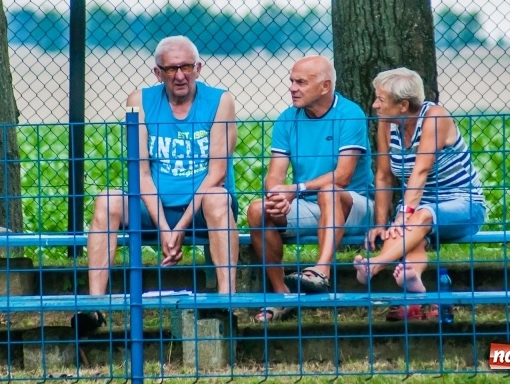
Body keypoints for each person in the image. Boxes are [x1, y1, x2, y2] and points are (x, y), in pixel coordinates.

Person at [73, 35, 239, 333]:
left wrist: (180, 227)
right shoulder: (139, 102)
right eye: (170, 68)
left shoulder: (220, 101)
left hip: (201, 208)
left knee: (218, 197)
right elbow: (141, 173)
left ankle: (227, 301)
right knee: (107, 199)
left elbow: (217, 172)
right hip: (153, 207)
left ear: (198, 68)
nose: (179, 75)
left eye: (186, 67)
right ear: (157, 72)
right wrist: (165, 227)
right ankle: (94, 307)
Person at [246, 56, 374, 323]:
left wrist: (295, 189)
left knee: (329, 191)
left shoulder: (349, 114)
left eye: (301, 82)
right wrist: (277, 196)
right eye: (291, 81)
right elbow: (274, 175)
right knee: (258, 210)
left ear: (325, 86)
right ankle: (282, 296)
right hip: (310, 205)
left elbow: (342, 177)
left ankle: (321, 271)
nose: (292, 88)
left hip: (354, 205)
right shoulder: (286, 119)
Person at [353, 67, 486, 320]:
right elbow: (383, 175)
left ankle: (374, 265)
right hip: (417, 207)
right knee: (409, 234)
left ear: (403, 105)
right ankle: (415, 288)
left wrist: (403, 215)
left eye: (381, 99)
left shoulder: (435, 117)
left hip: (463, 204)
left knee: (420, 216)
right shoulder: (386, 124)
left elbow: (422, 169)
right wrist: (382, 224)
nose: (374, 105)